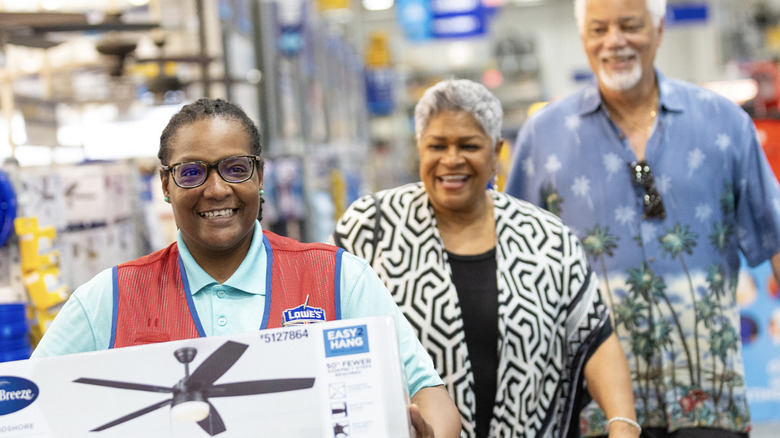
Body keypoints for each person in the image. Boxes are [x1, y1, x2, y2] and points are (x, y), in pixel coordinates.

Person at [31, 98, 461, 438]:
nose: (216, 190)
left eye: (236, 169)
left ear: (259, 176)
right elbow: (25, 408)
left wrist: (427, 430)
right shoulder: (108, 300)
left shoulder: (337, 278)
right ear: (165, 185)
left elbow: (429, 393)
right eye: (192, 172)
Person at [504, 0, 780, 437]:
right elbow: (514, 268)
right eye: (599, 29)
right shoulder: (544, 137)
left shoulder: (724, 124)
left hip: (709, 402)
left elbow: (775, 238)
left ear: (659, 29)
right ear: (583, 38)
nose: (614, 41)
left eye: (629, 25)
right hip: (594, 411)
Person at [331, 79, 638, 438]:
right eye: (436, 145)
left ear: (496, 152)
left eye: (468, 145)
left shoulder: (547, 238)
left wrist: (623, 424)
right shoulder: (370, 227)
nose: (451, 159)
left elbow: (594, 339)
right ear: (420, 148)